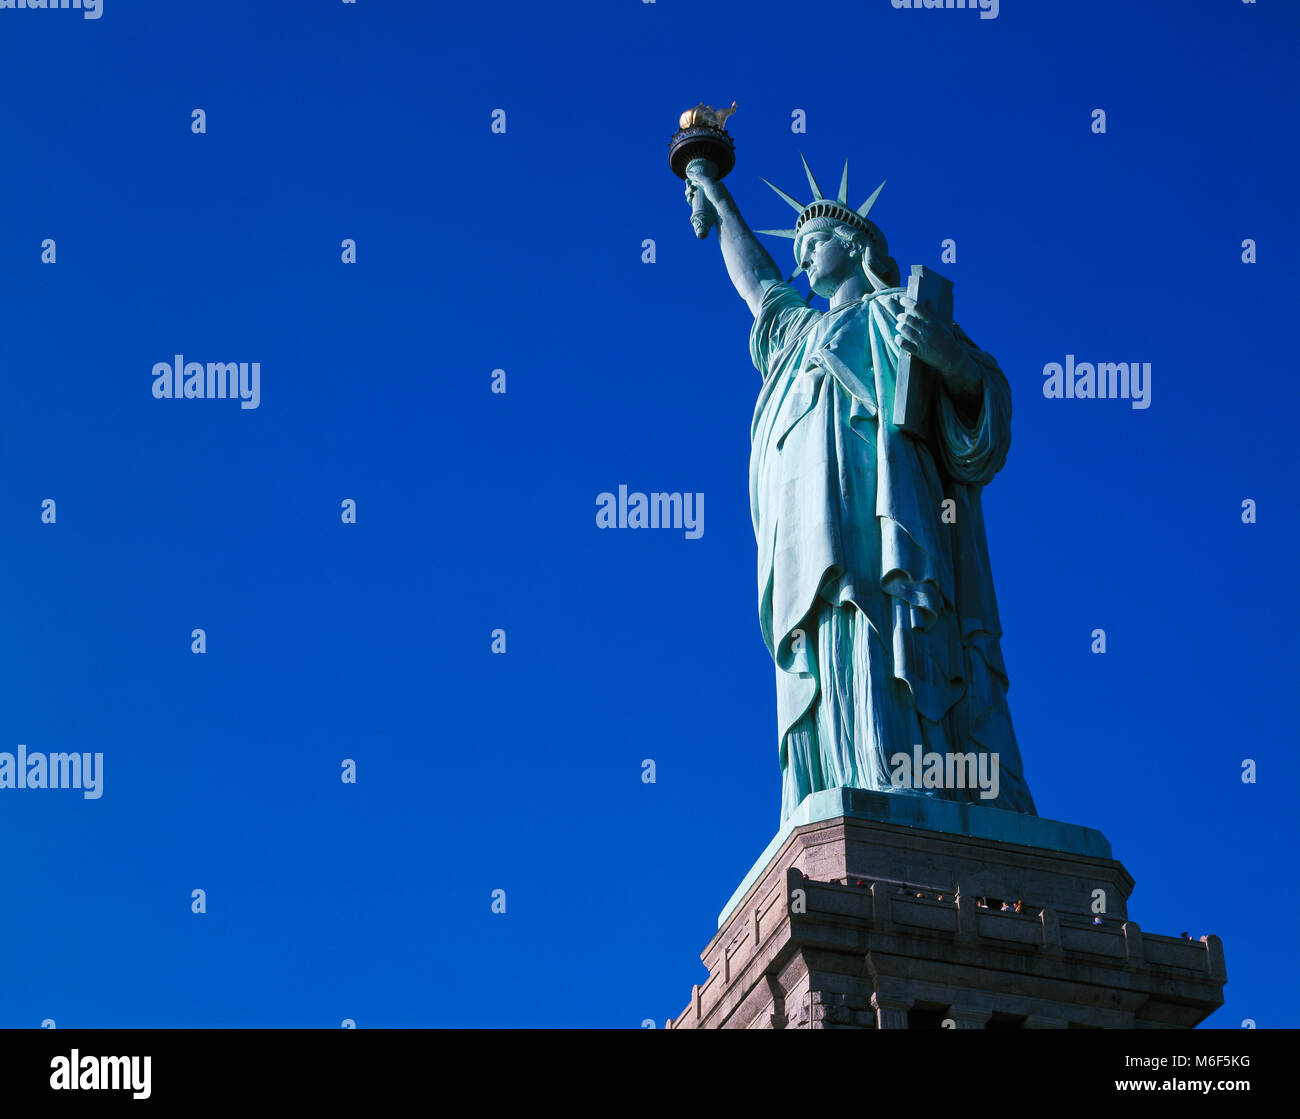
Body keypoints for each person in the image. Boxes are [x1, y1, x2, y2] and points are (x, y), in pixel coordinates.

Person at [685, 159, 1037, 823]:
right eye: (798, 250)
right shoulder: (799, 336)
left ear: (853, 246)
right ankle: (847, 781)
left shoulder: (898, 314)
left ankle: (909, 784)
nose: (802, 259)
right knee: (835, 645)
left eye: (813, 243)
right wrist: (716, 195)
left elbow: (983, 415)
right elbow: (760, 287)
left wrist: (950, 359)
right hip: (812, 544)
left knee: (886, 632)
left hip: (890, 527)